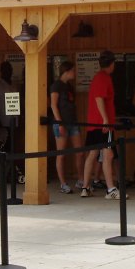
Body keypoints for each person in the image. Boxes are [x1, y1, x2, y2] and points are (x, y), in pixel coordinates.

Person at [80, 50, 123, 200]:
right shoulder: (103, 78)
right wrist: (105, 119)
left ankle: (85, 187)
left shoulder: (99, 78)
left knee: (92, 154)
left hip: (95, 123)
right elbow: (99, 98)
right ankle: (110, 188)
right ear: (111, 64)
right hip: (102, 124)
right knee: (108, 154)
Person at [49, 60, 83, 194]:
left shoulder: (69, 86)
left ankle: (81, 180)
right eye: (73, 70)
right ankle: (63, 183)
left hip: (73, 122)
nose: (74, 73)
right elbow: (53, 105)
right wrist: (59, 122)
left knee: (80, 152)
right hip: (61, 123)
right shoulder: (56, 86)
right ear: (66, 71)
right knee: (61, 154)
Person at [0, 60, 17, 150]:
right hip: (3, 121)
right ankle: (4, 164)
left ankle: (12, 164)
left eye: (9, 69)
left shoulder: (14, 84)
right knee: (5, 147)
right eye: (5, 70)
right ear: (1, 71)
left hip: (14, 120)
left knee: (13, 145)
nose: (8, 72)